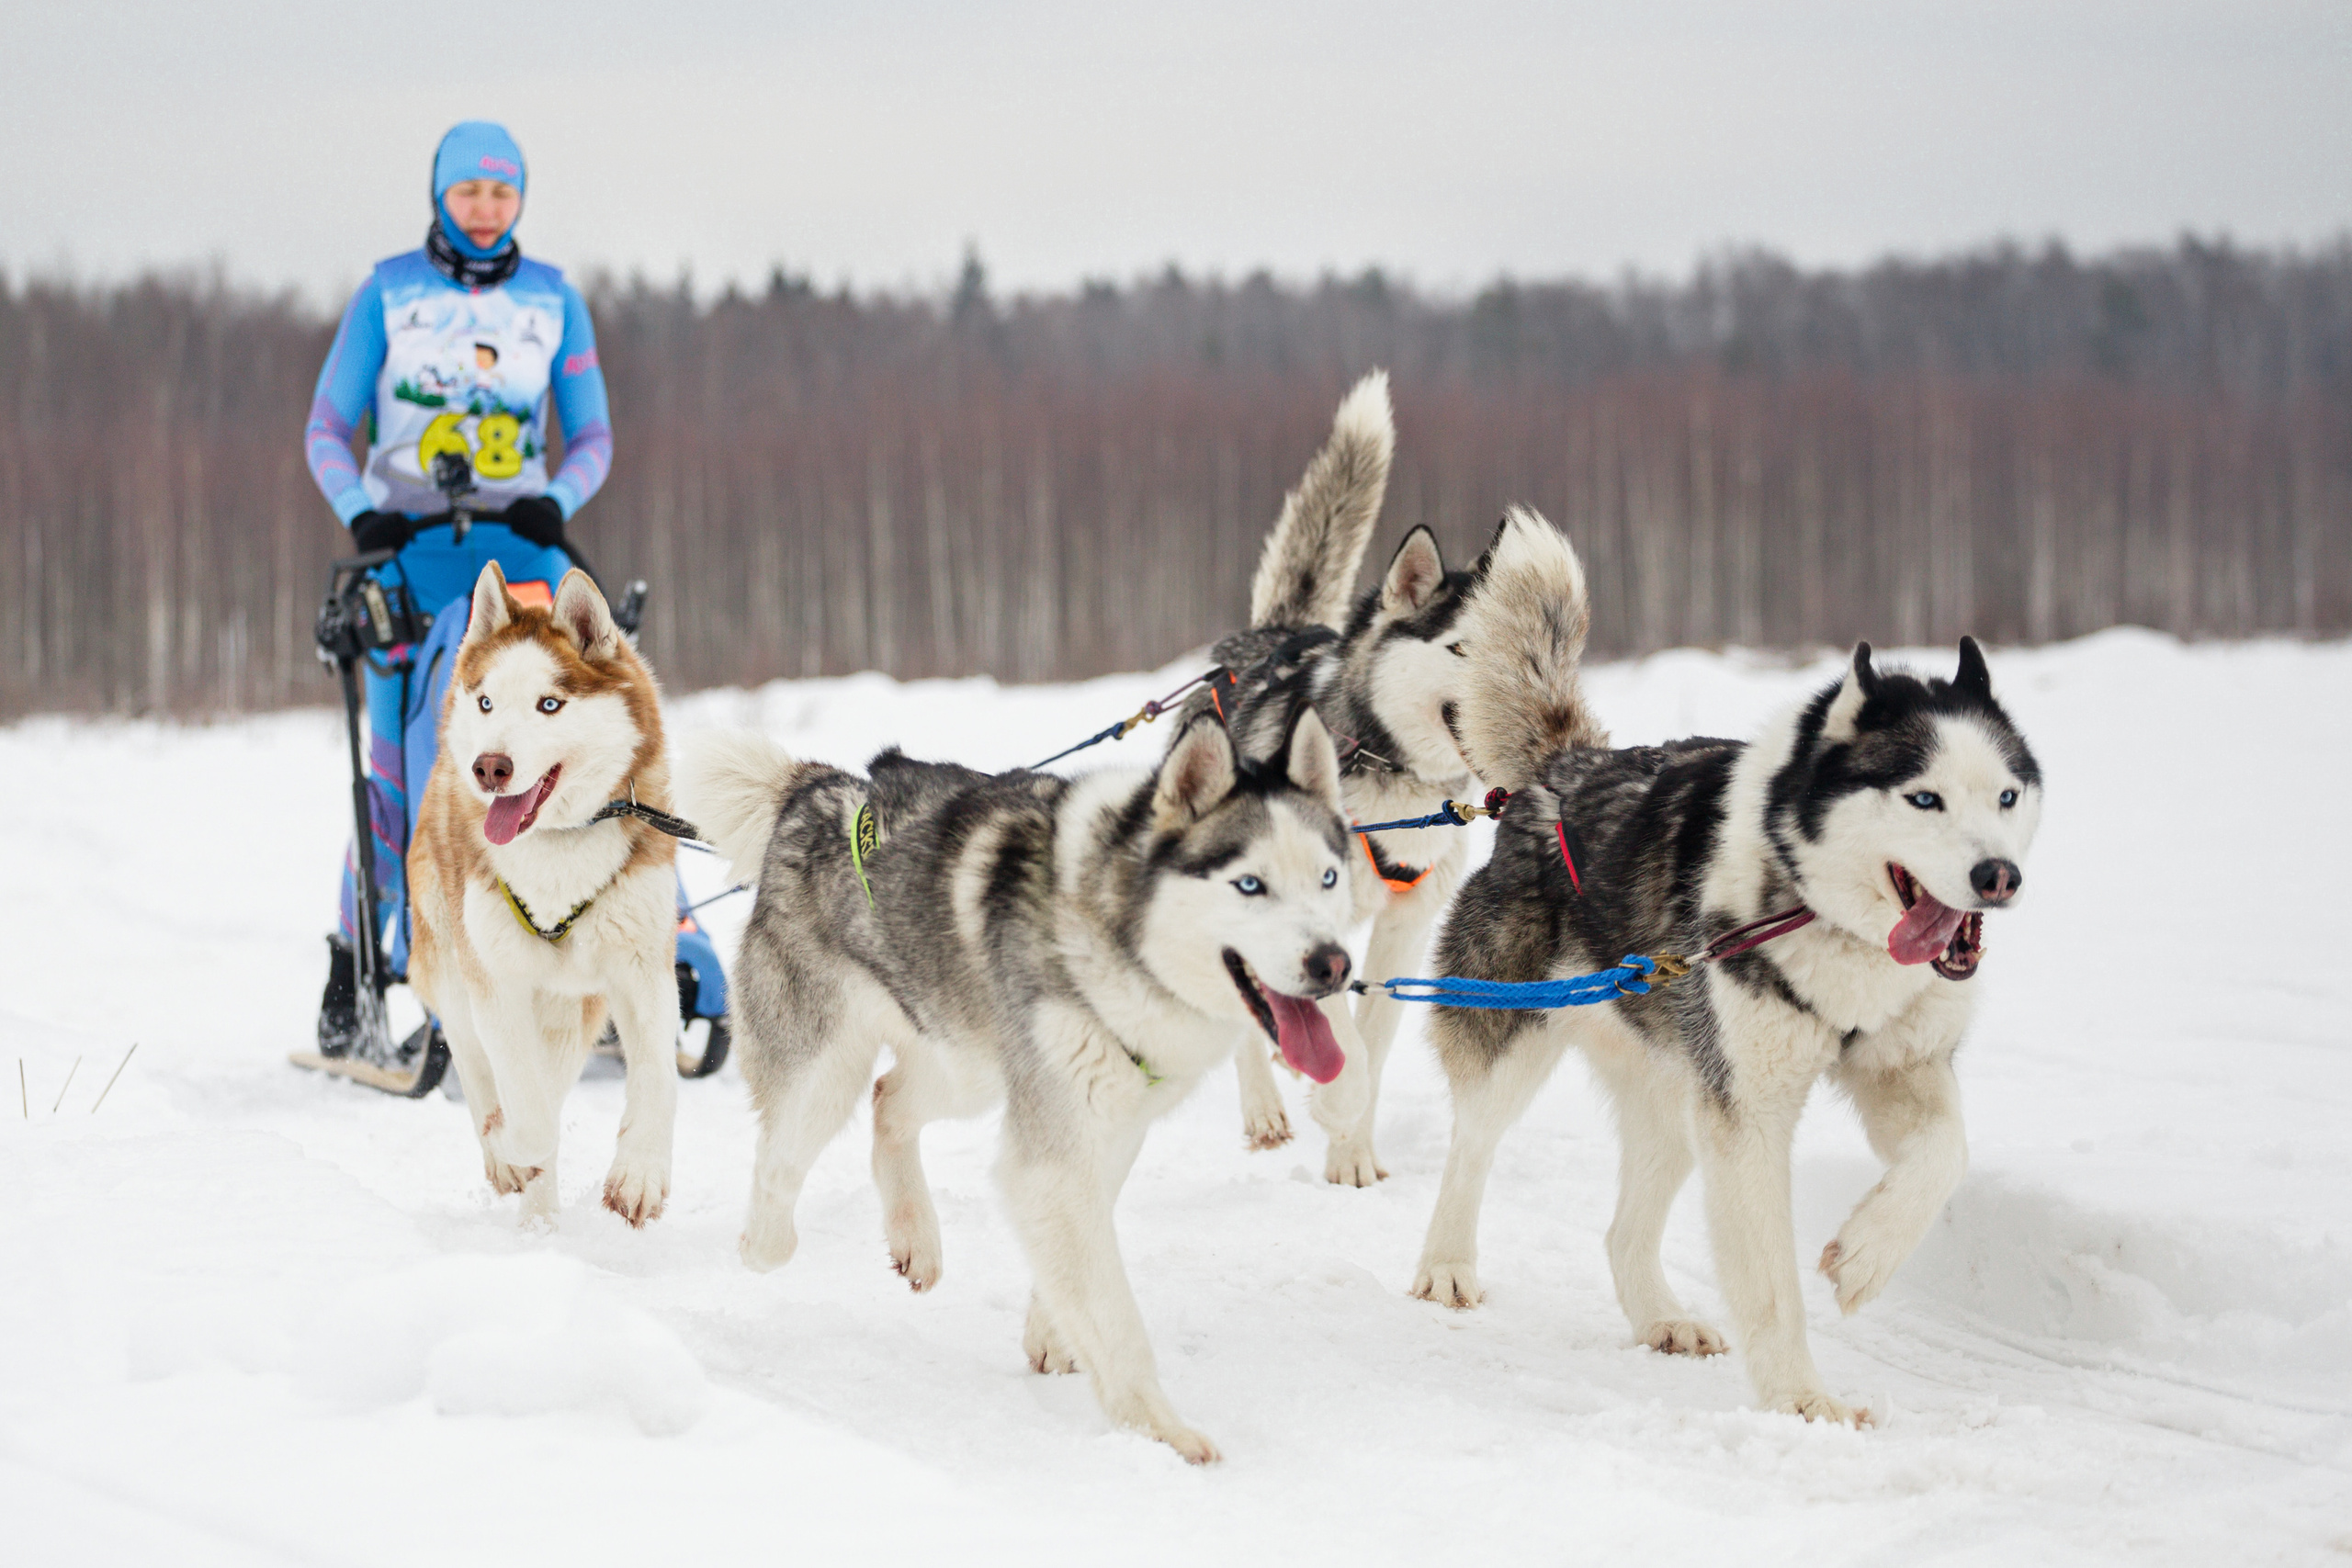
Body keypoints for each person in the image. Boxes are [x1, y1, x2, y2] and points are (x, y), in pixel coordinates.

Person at [306, 119, 613, 1053]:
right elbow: (326, 429)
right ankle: (357, 967)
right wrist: (363, 514)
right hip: (408, 559)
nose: (485, 210)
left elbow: (593, 437)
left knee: (566, 762)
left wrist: (556, 502)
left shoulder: (553, 300)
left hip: (523, 561)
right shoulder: (388, 293)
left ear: (522, 197)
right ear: (439, 194)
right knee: (405, 779)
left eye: (501, 192)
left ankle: (583, 964)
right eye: (468, 192)